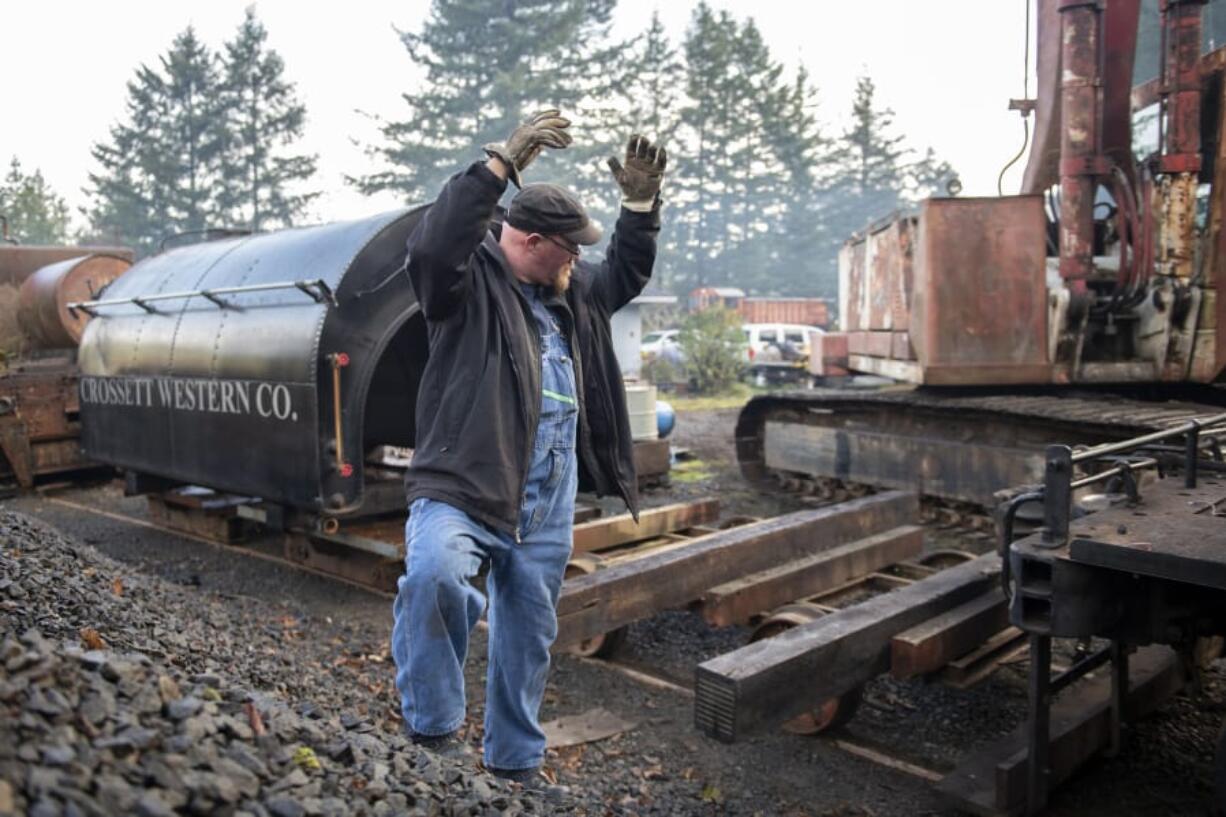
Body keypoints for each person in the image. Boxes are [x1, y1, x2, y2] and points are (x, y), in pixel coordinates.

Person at [391, 110, 667, 786]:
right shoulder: (463, 283)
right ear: (535, 241)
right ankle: (432, 730)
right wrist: (496, 166)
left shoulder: (573, 292)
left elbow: (628, 269)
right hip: (464, 482)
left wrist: (640, 205)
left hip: (548, 492)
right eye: (570, 246)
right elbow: (431, 249)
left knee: (529, 633)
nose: (579, 258)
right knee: (434, 575)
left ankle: (514, 760)